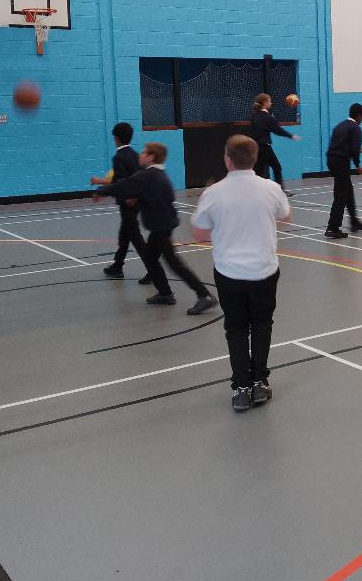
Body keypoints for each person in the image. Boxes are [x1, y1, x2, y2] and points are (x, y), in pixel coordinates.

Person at [192, 135, 291, 413]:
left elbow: (199, 235)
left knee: (236, 328)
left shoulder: (214, 193)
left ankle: (241, 388)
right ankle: (260, 382)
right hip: (264, 271)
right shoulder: (270, 188)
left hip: (229, 274)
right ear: (256, 158)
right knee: (262, 324)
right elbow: (286, 216)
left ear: (227, 159)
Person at [95, 142, 218, 315]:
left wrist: (101, 190)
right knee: (150, 257)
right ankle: (165, 293)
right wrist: (139, 199)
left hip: (161, 227)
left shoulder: (148, 175)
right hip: (162, 225)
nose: (140, 155)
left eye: (144, 153)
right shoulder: (159, 175)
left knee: (174, 263)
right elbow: (157, 195)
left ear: (151, 157)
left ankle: (204, 295)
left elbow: (123, 186)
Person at [91, 122, 150, 282]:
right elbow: (140, 180)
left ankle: (152, 269)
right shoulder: (135, 155)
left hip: (127, 203)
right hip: (135, 203)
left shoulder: (119, 157)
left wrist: (101, 190)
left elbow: (121, 183)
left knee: (136, 238)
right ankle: (117, 266)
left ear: (116, 138)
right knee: (124, 235)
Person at [325, 103, 362, 239]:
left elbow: (340, 145)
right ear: (359, 115)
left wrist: (353, 151)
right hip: (341, 162)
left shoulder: (340, 125)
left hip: (332, 160)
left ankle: (354, 222)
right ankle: (332, 228)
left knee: (348, 191)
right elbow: (354, 149)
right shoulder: (355, 128)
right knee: (340, 195)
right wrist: (358, 165)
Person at [249, 93, 299, 197]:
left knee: (264, 170)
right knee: (270, 169)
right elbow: (277, 130)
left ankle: (259, 191)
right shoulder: (267, 117)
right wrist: (291, 136)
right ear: (265, 103)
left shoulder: (254, 116)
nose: (271, 103)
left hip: (257, 146)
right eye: (269, 101)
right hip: (264, 147)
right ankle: (277, 192)